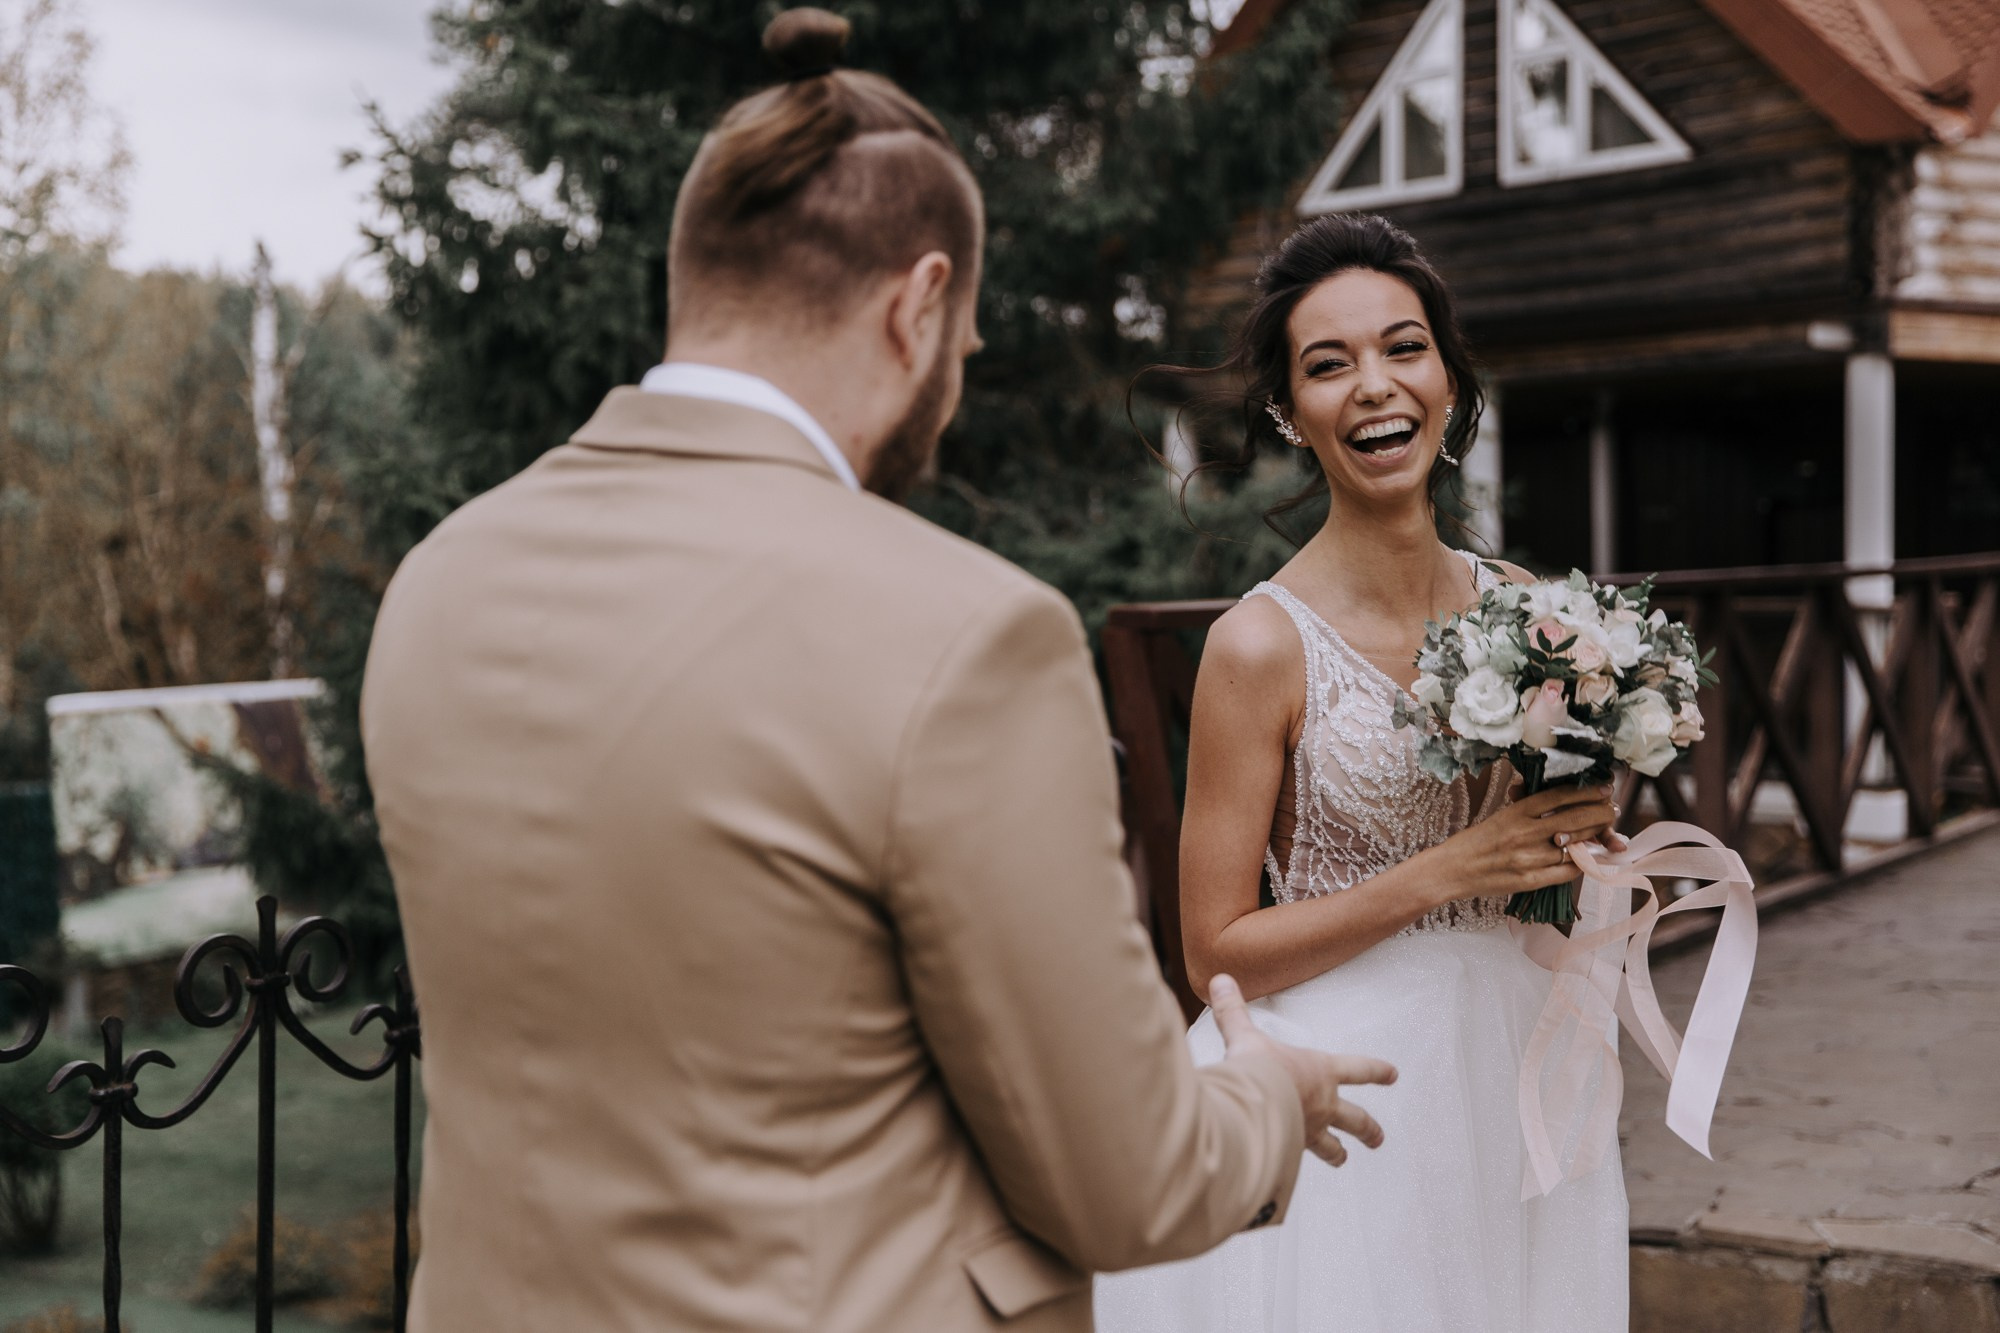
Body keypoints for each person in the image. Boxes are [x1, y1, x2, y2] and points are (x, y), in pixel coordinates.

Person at [360, 11, 1395, 1332]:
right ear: (916, 306)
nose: (956, 382)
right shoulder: (969, 636)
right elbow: (1124, 1178)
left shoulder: (443, 579)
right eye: (962, 345)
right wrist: (1267, 1093)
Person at [1094, 213, 1630, 1332]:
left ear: (1445, 377)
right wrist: (1444, 870)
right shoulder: (1257, 645)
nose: (1374, 387)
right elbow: (1210, 953)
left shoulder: (1526, 605)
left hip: (1519, 1068)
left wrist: (1586, 853)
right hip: (1341, 1099)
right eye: (1327, 365)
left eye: (1402, 347)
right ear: (1290, 414)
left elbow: (1534, 876)